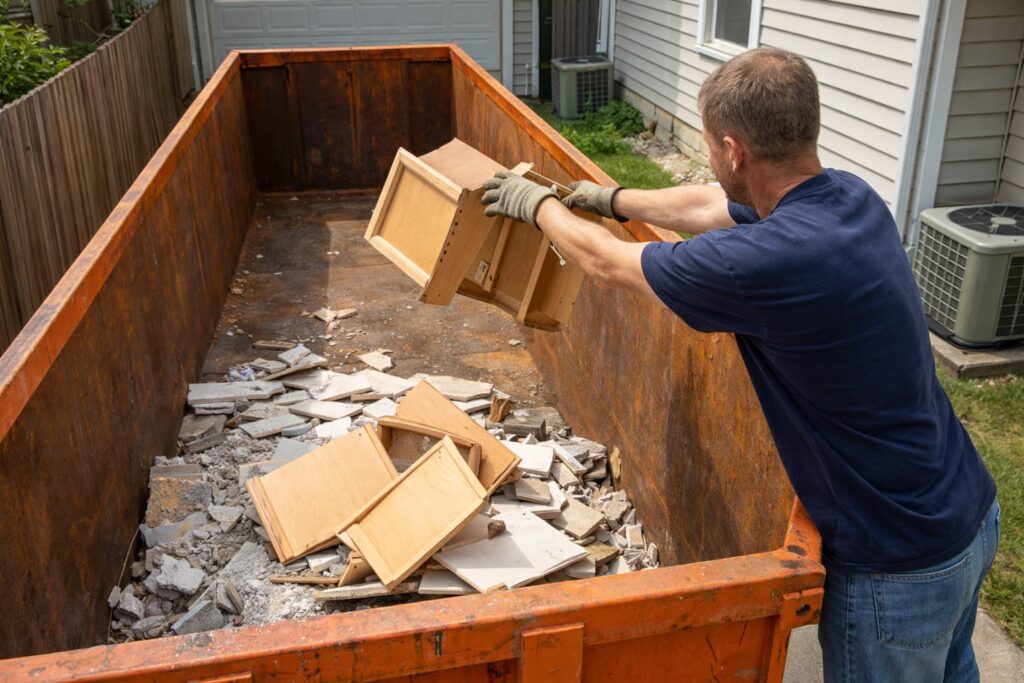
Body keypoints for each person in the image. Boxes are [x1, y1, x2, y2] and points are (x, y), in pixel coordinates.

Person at [480, 47, 999, 683]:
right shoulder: (850, 197)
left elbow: (607, 265)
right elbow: (710, 206)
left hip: (897, 560)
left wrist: (537, 205)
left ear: (733, 150)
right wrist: (611, 198)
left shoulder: (759, 264)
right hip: (966, 511)